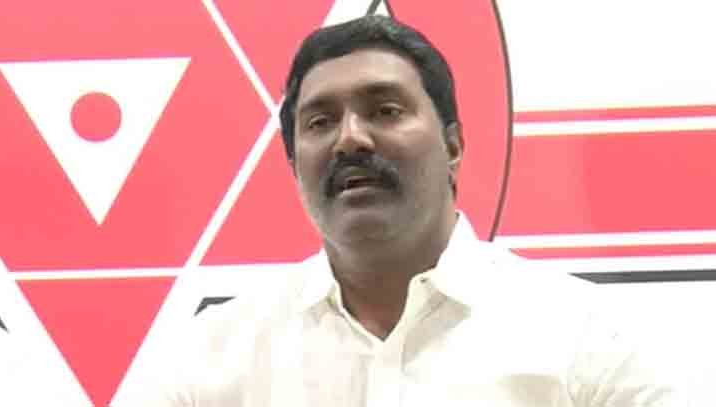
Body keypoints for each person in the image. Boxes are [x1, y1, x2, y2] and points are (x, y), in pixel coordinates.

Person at [129, 15, 684, 406]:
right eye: (320, 122)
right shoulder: (212, 355)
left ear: (453, 146)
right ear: (294, 164)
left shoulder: (585, 335)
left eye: (385, 110)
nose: (350, 138)